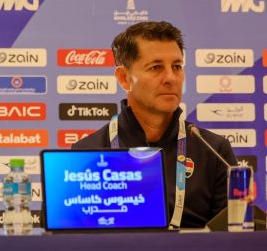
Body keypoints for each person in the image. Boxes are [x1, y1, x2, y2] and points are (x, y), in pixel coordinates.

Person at [72, 21, 235, 228]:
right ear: (124, 78)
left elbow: (235, 238)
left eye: (177, 67)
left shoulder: (214, 150)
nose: (171, 78)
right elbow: (67, 240)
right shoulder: (88, 152)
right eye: (156, 67)